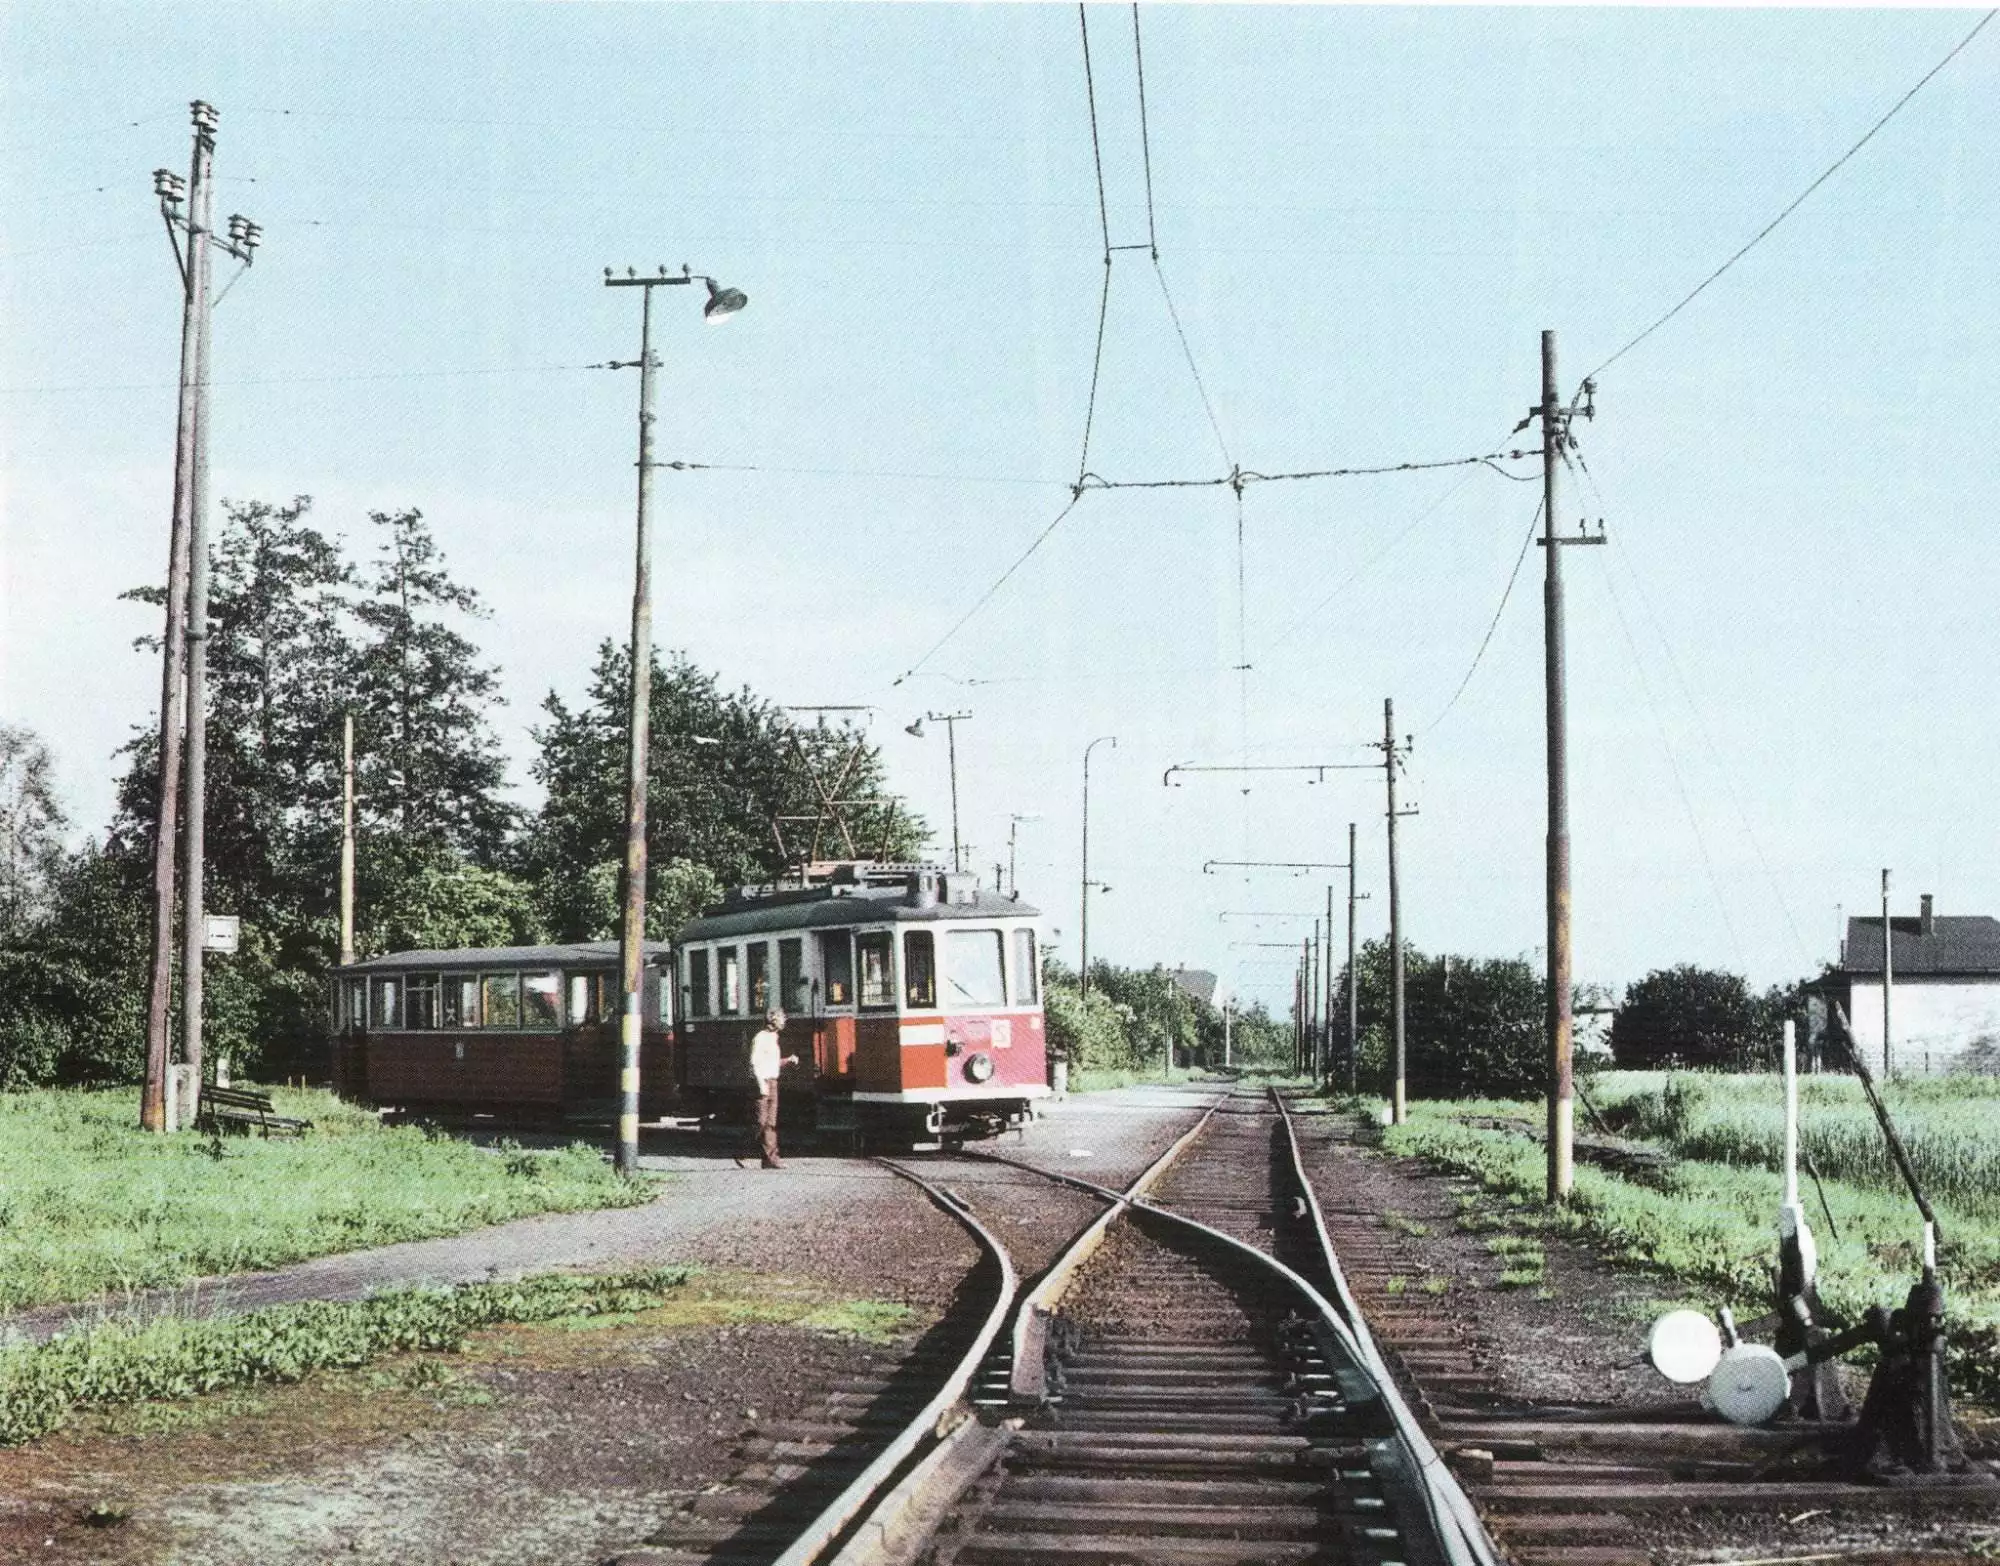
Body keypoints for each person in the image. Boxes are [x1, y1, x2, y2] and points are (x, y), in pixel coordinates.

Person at [742, 1008, 799, 1169]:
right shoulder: (761, 1037)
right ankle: (742, 1151)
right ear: (772, 1020)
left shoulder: (774, 1037)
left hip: (773, 1082)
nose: (784, 1021)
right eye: (782, 1018)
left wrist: (788, 1060)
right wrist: (761, 1084)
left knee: (771, 1123)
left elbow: (771, 1062)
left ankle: (771, 1159)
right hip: (763, 1083)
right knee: (760, 1121)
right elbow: (754, 1063)